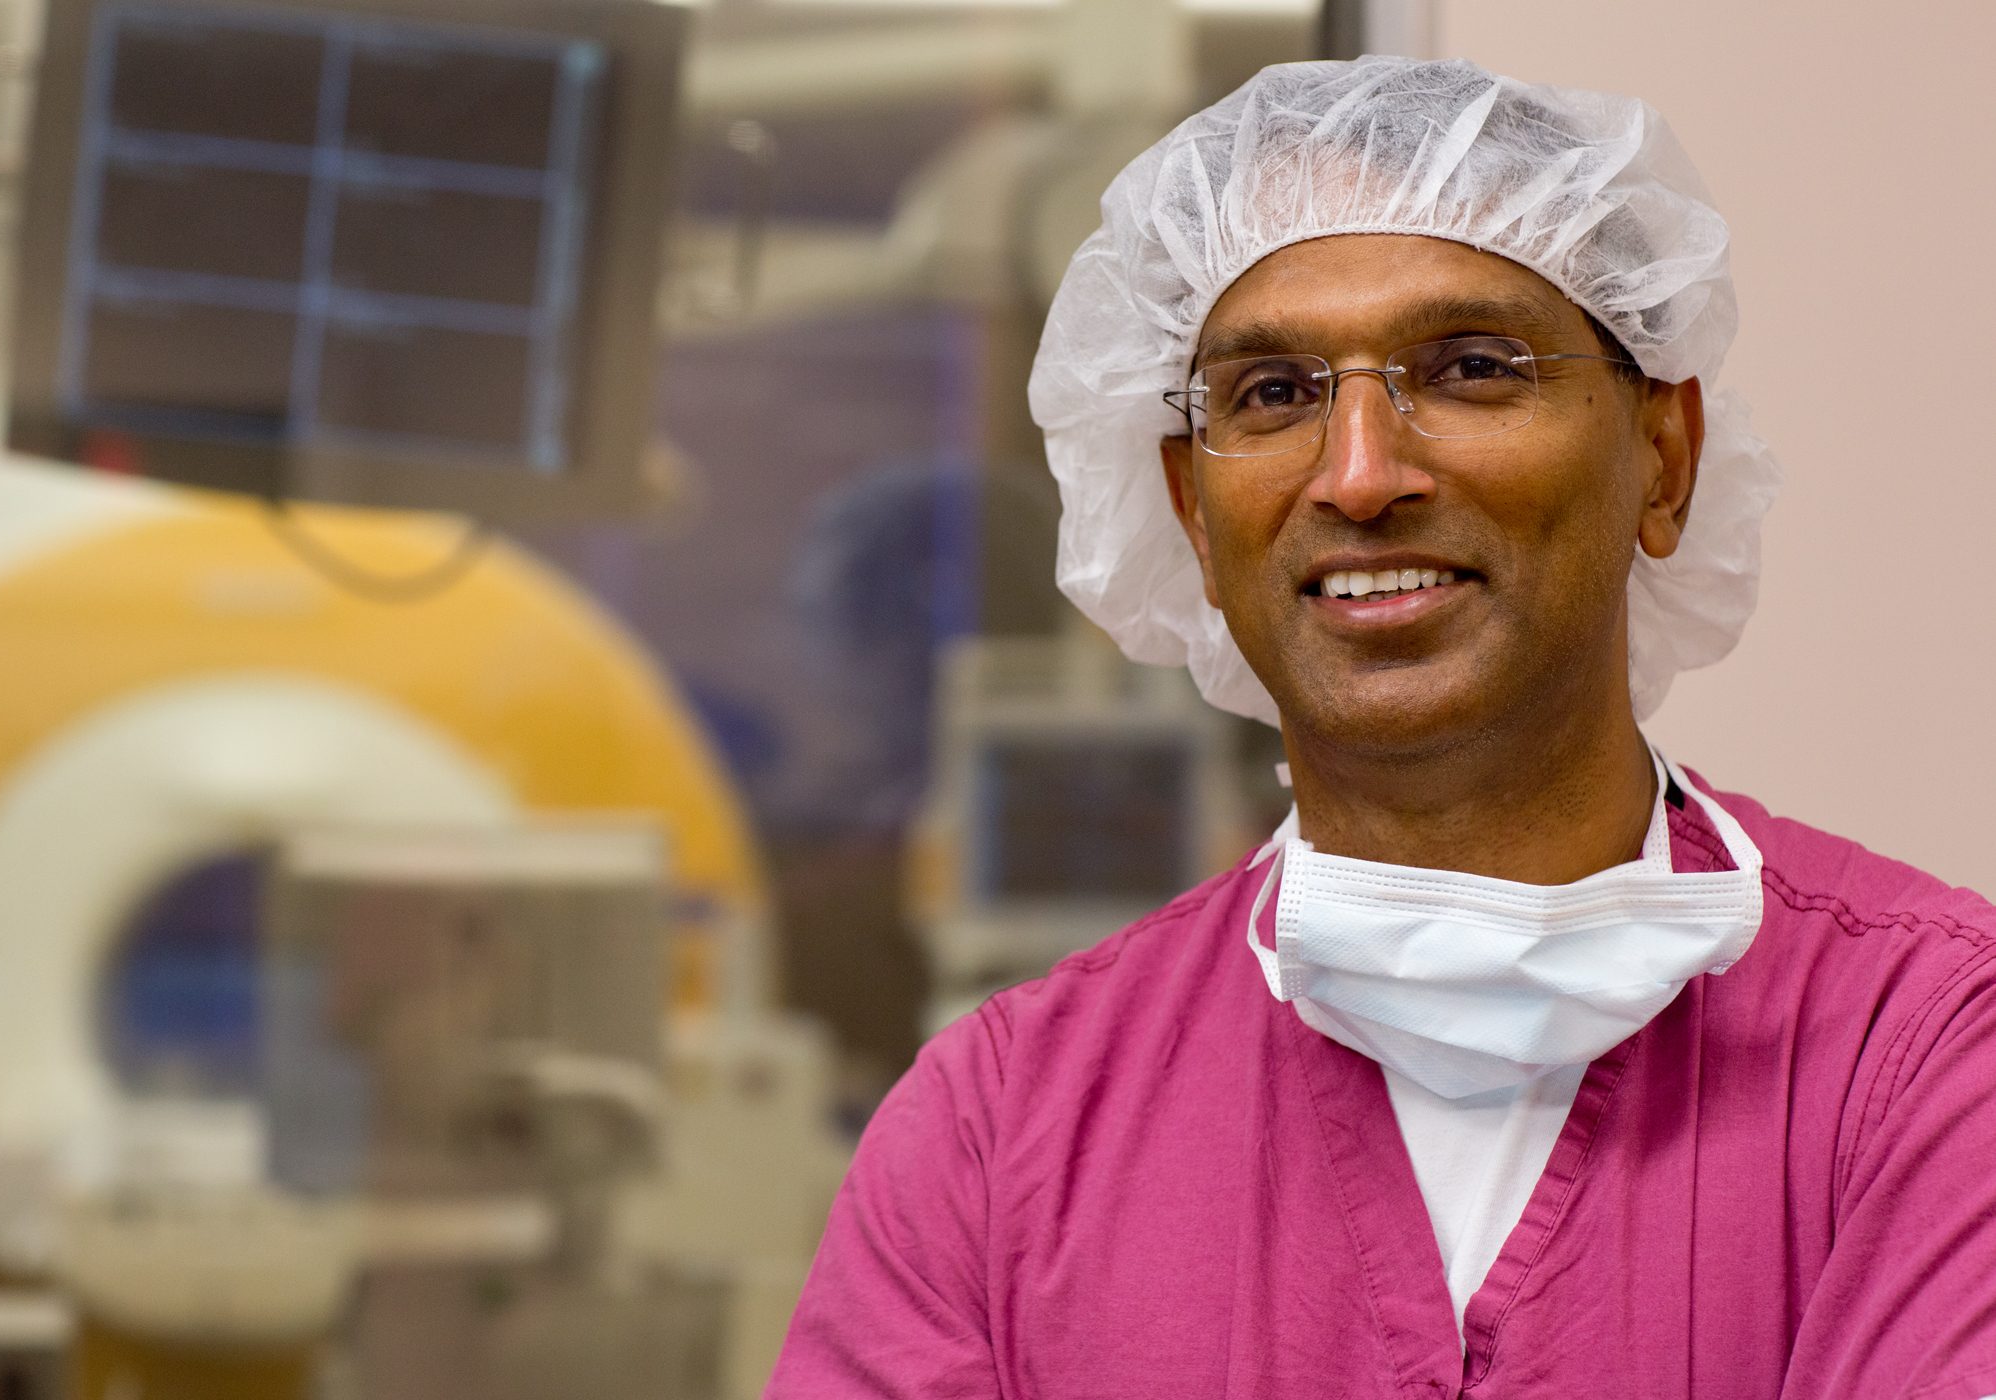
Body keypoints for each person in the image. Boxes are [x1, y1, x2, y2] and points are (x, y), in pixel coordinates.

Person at [764, 57, 1996, 1399]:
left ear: (1665, 457)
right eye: (1273, 394)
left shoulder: (1926, 1048)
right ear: (1191, 510)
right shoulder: (998, 1136)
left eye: (1471, 368)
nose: (1357, 475)